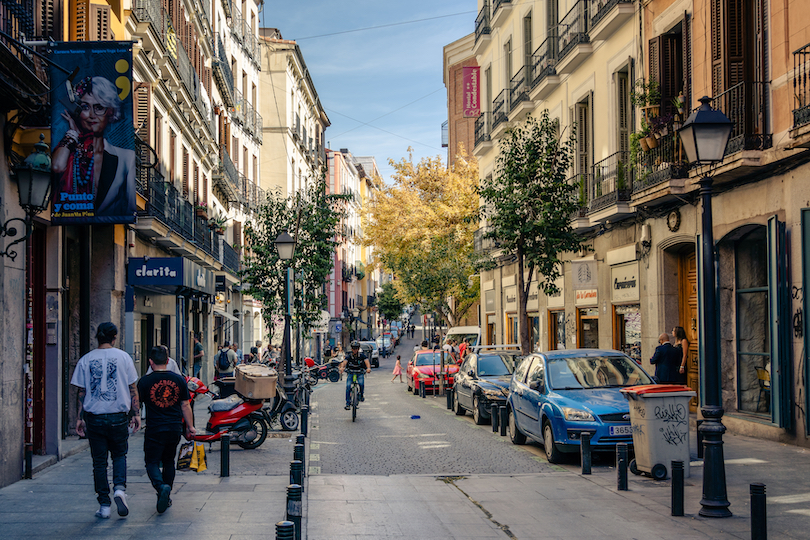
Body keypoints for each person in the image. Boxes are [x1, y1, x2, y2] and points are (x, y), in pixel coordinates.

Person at [70, 322, 140, 519]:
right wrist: (136, 413)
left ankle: (104, 505)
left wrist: (79, 418)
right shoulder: (124, 357)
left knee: (99, 462)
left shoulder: (86, 360)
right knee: (119, 455)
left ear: (97, 337)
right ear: (114, 337)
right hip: (118, 417)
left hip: (94, 417)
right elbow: (132, 387)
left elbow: (81, 392)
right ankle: (119, 488)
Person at [52, 76, 136, 218]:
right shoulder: (69, 149)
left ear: (110, 111)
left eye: (99, 108)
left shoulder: (126, 157)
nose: (91, 115)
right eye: (85, 107)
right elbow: (57, 167)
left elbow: (129, 206)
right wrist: (72, 133)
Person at [137, 345, 196, 514]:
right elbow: (185, 405)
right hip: (174, 427)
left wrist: (134, 418)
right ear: (168, 360)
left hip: (154, 428)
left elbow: (137, 404)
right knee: (169, 461)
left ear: (150, 362)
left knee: (152, 462)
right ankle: (167, 494)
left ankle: (160, 486)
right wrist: (190, 427)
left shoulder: (145, 381)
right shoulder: (178, 380)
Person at [339, 341, 371, 410]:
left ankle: (361, 395)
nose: (355, 350)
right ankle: (347, 403)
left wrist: (368, 368)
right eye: (353, 348)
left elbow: (367, 362)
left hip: (360, 373)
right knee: (348, 386)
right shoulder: (349, 356)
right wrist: (342, 367)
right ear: (351, 349)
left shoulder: (362, 356)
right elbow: (344, 362)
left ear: (358, 349)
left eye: (356, 348)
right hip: (351, 373)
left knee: (361, 384)